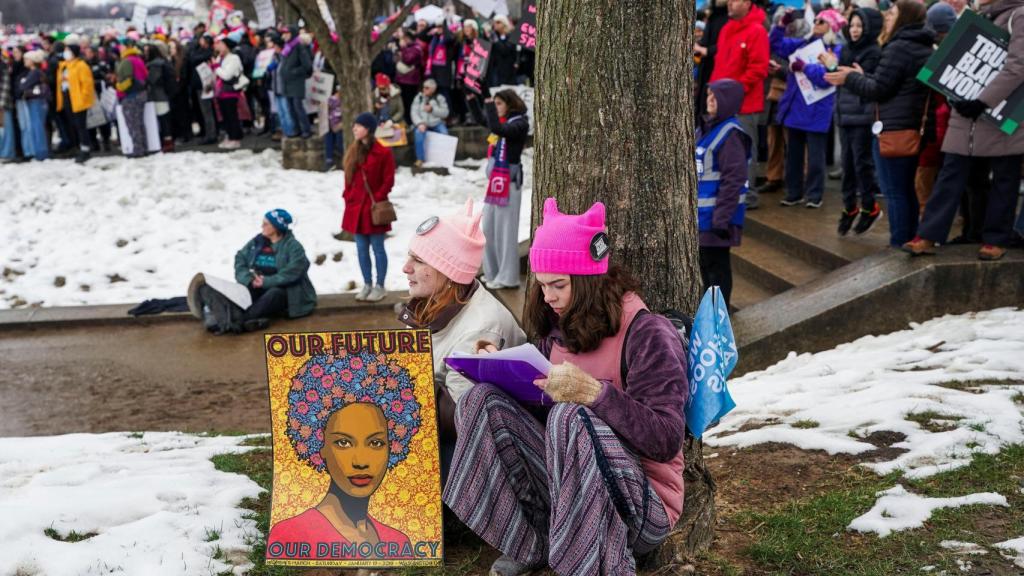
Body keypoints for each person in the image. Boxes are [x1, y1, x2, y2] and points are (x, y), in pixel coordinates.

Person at [444, 198, 688, 576]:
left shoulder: (648, 332)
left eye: (558, 285)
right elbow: (537, 423)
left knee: (571, 414)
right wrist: (496, 368)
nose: (548, 298)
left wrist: (595, 394)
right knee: (482, 401)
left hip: (643, 506)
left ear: (589, 280)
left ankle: (592, 564)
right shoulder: (559, 329)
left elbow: (666, 438)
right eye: (542, 286)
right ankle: (531, 544)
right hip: (568, 497)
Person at [398, 199, 527, 480]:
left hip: (474, 452)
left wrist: (405, 391)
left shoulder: (481, 326)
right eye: (410, 257)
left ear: (449, 271)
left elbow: (463, 420)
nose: (406, 268)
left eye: (418, 261)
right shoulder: (430, 303)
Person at [265, 350, 418, 558]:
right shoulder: (291, 535)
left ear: (394, 445)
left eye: (375, 442)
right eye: (343, 442)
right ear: (319, 444)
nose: (361, 462)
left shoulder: (398, 542)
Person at [904, 0, 1024, 260]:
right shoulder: (977, 16)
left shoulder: (1019, 15)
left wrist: (983, 101)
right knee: (950, 174)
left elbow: (1018, 66)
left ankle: (996, 238)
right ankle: (928, 233)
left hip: (1000, 111)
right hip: (966, 113)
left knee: (1004, 178)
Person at [826, 0, 935, 247]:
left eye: (892, 13)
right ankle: (910, 237)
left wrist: (850, 78)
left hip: (894, 128)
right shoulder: (923, 46)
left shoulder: (898, 48)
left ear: (904, 18)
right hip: (912, 126)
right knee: (907, 189)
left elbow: (879, 89)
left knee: (895, 191)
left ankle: (899, 242)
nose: (887, 17)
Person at [772, 9, 845, 209]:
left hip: (817, 108)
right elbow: (777, 45)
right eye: (816, 19)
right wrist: (781, 25)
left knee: (815, 158)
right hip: (796, 105)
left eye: (822, 21)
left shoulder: (835, 50)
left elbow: (826, 78)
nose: (816, 23)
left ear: (831, 27)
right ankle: (793, 193)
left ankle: (814, 195)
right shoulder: (804, 43)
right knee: (793, 155)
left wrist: (804, 67)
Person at [708, 0, 769, 209]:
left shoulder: (757, 31)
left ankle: (748, 195)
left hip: (745, 104)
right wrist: (714, 93)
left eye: (734, 0)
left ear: (746, 3)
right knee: (724, 151)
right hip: (722, 103)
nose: (729, 4)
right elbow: (720, 65)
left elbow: (758, 69)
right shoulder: (726, 28)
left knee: (745, 152)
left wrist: (731, 93)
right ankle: (730, 193)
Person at [698, 80, 751, 309]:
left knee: (717, 271)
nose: (710, 99)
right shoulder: (706, 128)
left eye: (715, 96)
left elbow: (734, 180)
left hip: (717, 219)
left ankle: (720, 316)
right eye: (709, 94)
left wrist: (721, 219)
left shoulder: (731, 135)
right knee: (705, 269)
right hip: (702, 218)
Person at [834, 7, 884, 235]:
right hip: (844, 114)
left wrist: (862, 76)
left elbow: (876, 84)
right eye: (852, 25)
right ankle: (849, 206)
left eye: (859, 26)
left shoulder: (874, 52)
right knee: (847, 164)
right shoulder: (845, 50)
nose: (854, 30)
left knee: (862, 164)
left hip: (862, 115)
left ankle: (869, 205)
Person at [229, 208, 317, 331]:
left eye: (265, 224)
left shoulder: (293, 247)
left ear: (276, 227)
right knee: (241, 291)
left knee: (274, 293)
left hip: (287, 294)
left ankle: (241, 321)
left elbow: (293, 272)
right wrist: (248, 280)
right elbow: (240, 258)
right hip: (258, 286)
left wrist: (266, 282)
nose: (261, 226)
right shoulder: (258, 241)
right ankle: (237, 318)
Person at [342, 113, 396, 303]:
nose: (355, 129)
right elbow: (348, 178)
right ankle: (367, 284)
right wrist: (348, 197)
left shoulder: (383, 152)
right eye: (355, 125)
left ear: (369, 129)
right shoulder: (352, 150)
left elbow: (388, 179)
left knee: (378, 248)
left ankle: (380, 285)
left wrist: (378, 198)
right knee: (361, 249)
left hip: (374, 209)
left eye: (359, 126)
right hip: (356, 209)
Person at [481, 89, 529, 291]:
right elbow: (481, 119)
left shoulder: (519, 124)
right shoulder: (504, 123)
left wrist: (489, 103)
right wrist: (475, 98)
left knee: (505, 232)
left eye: (499, 104)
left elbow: (497, 129)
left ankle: (508, 277)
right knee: (488, 229)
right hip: (495, 185)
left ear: (510, 104)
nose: (496, 107)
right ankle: (492, 271)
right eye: (496, 104)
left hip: (508, 183)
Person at [55, 35, 97, 163]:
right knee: (73, 125)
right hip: (67, 96)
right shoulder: (64, 66)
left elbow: (87, 84)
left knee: (81, 125)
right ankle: (78, 147)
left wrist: (84, 98)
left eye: (68, 50)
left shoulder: (81, 65)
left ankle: (85, 149)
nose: (66, 53)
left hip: (78, 99)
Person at [116, 37, 150, 158]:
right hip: (141, 94)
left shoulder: (127, 61)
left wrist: (119, 87)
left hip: (131, 95)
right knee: (139, 122)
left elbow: (127, 80)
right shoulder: (138, 59)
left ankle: (138, 149)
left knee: (132, 123)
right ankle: (143, 147)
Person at [212, 35, 246, 149]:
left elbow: (227, 75)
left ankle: (235, 138)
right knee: (225, 116)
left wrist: (216, 67)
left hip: (230, 91)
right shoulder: (219, 58)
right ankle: (229, 135)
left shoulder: (234, 58)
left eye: (221, 44)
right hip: (220, 91)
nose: (218, 46)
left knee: (232, 115)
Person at [279, 26, 313, 139]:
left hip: (296, 82)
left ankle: (306, 130)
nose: (283, 36)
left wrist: (293, 72)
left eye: (286, 33)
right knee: (290, 108)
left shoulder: (299, 47)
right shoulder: (287, 47)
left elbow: (307, 66)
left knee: (298, 107)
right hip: (287, 83)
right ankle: (296, 129)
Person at [15, 50, 50, 161]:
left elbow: (23, 86)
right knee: (37, 126)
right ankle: (40, 152)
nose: (24, 61)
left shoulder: (35, 72)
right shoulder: (34, 72)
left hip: (37, 102)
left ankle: (41, 153)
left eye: (26, 59)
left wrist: (23, 84)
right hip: (36, 102)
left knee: (37, 127)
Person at [145, 40, 177, 152]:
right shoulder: (164, 62)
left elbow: (153, 80)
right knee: (165, 119)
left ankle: (167, 143)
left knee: (163, 121)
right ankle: (168, 141)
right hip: (164, 95)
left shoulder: (154, 65)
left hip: (158, 96)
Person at [411, 78, 450, 167]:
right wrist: (419, 123)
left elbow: (445, 113)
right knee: (418, 134)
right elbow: (413, 112)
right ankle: (420, 159)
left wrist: (432, 110)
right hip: (423, 123)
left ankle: (444, 158)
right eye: (424, 87)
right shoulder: (419, 98)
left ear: (433, 89)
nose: (424, 89)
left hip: (436, 123)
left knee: (445, 133)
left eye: (427, 88)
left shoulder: (440, 98)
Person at [395, 29, 423, 125]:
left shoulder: (416, 48)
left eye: (405, 38)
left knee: (410, 102)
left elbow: (408, 60)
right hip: (401, 80)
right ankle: (406, 121)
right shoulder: (406, 48)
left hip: (410, 81)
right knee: (403, 103)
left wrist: (403, 49)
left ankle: (411, 121)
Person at [487, 15, 518, 87]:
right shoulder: (494, 36)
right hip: (495, 70)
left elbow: (505, 50)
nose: (495, 24)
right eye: (494, 22)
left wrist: (496, 40)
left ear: (504, 24)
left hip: (507, 71)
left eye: (498, 22)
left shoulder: (510, 36)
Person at [325, 85, 345, 171]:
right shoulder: (331, 100)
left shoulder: (346, 101)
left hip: (341, 124)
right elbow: (326, 110)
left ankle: (344, 159)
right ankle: (329, 160)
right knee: (328, 137)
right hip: (331, 123)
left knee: (339, 140)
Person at [0, 54, 15, 162]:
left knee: (7, 130)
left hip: (4, 103)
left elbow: (6, 85)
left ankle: (8, 153)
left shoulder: (3, 66)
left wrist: (2, 103)